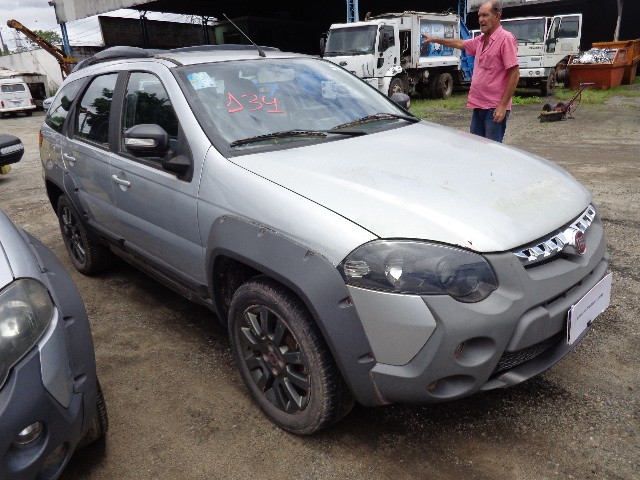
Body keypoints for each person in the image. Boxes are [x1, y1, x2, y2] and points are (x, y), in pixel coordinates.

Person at [422, 0, 519, 142]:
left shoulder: (505, 39)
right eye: (479, 16)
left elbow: (514, 74)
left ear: (497, 16)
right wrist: (435, 39)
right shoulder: (480, 40)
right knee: (475, 147)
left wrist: (503, 106)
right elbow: (460, 43)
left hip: (494, 108)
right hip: (479, 105)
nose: (481, 19)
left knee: (491, 149)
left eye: (485, 15)